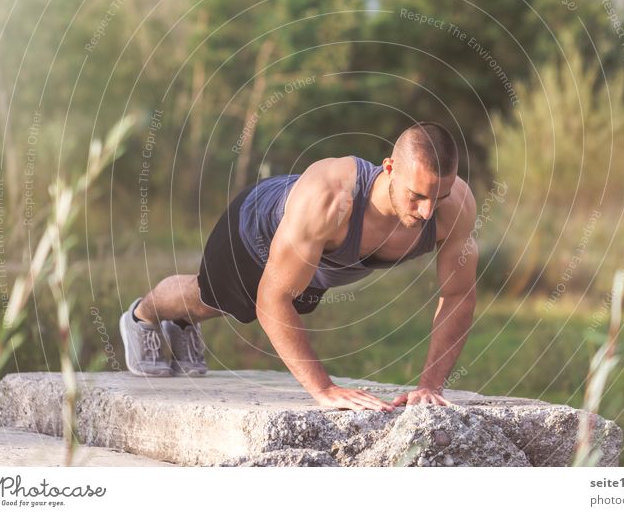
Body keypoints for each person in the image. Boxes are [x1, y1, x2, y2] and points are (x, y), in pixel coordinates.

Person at [118, 122, 479, 411]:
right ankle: (143, 316)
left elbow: (458, 294)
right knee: (208, 299)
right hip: (256, 226)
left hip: (320, 258)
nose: (428, 211)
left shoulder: (455, 208)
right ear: (389, 168)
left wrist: (430, 386)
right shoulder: (331, 200)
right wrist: (323, 389)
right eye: (416, 196)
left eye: (439, 196)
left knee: (272, 300)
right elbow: (271, 300)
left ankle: (180, 324)